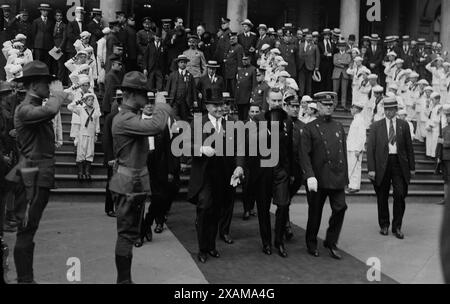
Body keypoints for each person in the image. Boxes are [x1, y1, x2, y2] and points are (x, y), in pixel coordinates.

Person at [5, 61, 69, 283]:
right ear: (33, 85)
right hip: (31, 174)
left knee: (29, 230)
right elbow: (51, 109)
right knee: (26, 230)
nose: (49, 87)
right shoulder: (24, 109)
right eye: (46, 83)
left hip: (36, 173)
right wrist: (59, 95)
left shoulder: (34, 106)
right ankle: (25, 280)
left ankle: (27, 278)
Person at [109, 71, 172, 284]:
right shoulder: (124, 119)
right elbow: (156, 125)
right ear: (131, 95)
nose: (148, 99)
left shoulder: (128, 116)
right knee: (126, 235)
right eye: (144, 94)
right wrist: (162, 104)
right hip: (128, 184)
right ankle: (124, 281)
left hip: (131, 182)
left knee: (129, 234)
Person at [187, 87, 244, 263]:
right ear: (207, 106)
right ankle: (202, 248)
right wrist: (201, 149)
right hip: (204, 176)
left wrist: (239, 167)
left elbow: (239, 149)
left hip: (224, 175)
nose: (220, 108)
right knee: (204, 209)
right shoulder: (197, 123)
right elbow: (183, 147)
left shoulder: (230, 125)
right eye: (215, 105)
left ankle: (211, 246)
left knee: (217, 211)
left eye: (222, 105)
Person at [300, 92, 348, 259]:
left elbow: (342, 153)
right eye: (325, 105)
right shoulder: (309, 128)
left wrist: (345, 178)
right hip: (318, 178)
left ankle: (331, 241)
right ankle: (311, 242)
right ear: (318, 106)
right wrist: (309, 176)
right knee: (315, 212)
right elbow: (304, 155)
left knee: (341, 207)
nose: (328, 107)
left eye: (330, 105)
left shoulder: (338, 126)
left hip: (336, 177)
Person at [250, 88, 293, 257]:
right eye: (273, 101)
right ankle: (266, 242)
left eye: (279, 101)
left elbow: (289, 148)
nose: (276, 104)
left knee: (283, 205)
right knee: (263, 208)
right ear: (267, 101)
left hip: (281, 170)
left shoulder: (287, 120)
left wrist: (289, 171)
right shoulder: (258, 119)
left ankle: (279, 241)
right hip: (263, 171)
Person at [135, 92, 180, 247]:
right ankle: (140, 233)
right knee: (139, 201)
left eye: (151, 103)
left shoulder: (161, 124)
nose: (148, 106)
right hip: (140, 166)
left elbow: (169, 148)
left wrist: (170, 170)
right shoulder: (135, 123)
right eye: (146, 103)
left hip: (158, 166)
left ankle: (149, 223)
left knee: (159, 198)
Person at [367, 96, 415, 239]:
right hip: (382, 164)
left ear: (396, 109)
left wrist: (412, 167)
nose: (389, 112)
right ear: (384, 110)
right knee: (382, 196)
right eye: (386, 110)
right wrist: (371, 169)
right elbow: (370, 149)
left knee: (400, 194)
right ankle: (384, 225)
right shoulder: (376, 126)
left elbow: (409, 148)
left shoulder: (404, 125)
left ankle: (397, 226)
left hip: (399, 164)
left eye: (392, 109)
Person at [68, 92, 100, 180]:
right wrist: (78, 101)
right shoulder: (81, 109)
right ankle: (80, 172)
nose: (91, 101)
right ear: (85, 101)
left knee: (89, 153)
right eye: (89, 100)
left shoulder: (95, 111)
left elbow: (97, 124)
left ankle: (87, 172)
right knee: (81, 152)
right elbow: (69, 107)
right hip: (82, 134)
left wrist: (96, 133)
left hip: (91, 135)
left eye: (92, 100)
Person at [103, 89, 122, 217]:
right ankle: (110, 208)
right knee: (111, 182)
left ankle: (121, 207)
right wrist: (110, 157)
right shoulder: (111, 117)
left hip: (125, 155)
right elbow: (106, 138)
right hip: (113, 156)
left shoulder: (130, 116)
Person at [165, 54, 197, 121]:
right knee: (174, 117)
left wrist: (195, 100)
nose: (183, 64)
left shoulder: (190, 76)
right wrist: (167, 100)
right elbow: (168, 88)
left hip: (185, 101)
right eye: (181, 62)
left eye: (185, 62)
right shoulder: (172, 75)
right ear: (178, 63)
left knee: (184, 118)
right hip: (174, 100)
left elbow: (193, 89)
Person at [439, 104, 450, 283]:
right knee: (446, 180)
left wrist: (444, 143)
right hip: (446, 158)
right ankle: (445, 197)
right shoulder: (445, 128)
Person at [347, 101, 366, 194]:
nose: (351, 110)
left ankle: (355, 186)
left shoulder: (360, 120)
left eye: (352, 108)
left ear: (356, 109)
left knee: (355, 167)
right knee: (351, 167)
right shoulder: (356, 119)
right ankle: (351, 185)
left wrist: (358, 149)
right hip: (351, 147)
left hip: (356, 149)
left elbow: (361, 136)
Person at [32, 4, 54, 68]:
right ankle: (38, 76)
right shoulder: (36, 21)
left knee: (47, 62)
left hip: (48, 45)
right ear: (41, 11)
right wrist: (33, 46)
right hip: (38, 45)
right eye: (43, 10)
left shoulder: (51, 22)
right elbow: (33, 34)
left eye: (47, 11)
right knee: (38, 62)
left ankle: (45, 76)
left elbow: (52, 34)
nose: (45, 12)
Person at [235, 55, 256, 120]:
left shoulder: (253, 69)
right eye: (243, 59)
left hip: (247, 97)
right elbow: (238, 84)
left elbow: (254, 84)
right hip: (239, 97)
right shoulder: (240, 70)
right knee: (240, 117)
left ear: (249, 60)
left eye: (246, 59)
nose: (244, 61)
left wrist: (252, 96)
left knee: (245, 117)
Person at [223, 32, 244, 97]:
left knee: (234, 89)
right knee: (228, 90)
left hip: (234, 72)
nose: (231, 40)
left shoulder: (239, 47)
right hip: (228, 71)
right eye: (230, 39)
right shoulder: (230, 47)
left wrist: (239, 72)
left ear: (236, 39)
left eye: (233, 39)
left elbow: (240, 60)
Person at [333, 40, 352, 109]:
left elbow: (348, 62)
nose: (342, 48)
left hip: (345, 74)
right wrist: (342, 65)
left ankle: (343, 104)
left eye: (343, 46)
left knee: (344, 90)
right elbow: (335, 62)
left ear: (345, 47)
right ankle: (334, 104)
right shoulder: (335, 55)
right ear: (338, 47)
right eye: (340, 46)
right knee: (335, 90)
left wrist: (340, 61)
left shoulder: (348, 55)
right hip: (336, 74)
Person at [426, 92, 443, 159]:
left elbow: (437, 119)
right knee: (429, 141)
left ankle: (434, 155)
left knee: (434, 141)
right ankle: (429, 154)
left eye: (433, 100)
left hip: (435, 127)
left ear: (438, 100)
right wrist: (427, 106)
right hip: (430, 126)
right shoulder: (433, 107)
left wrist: (431, 125)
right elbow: (428, 116)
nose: (432, 101)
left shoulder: (440, 107)